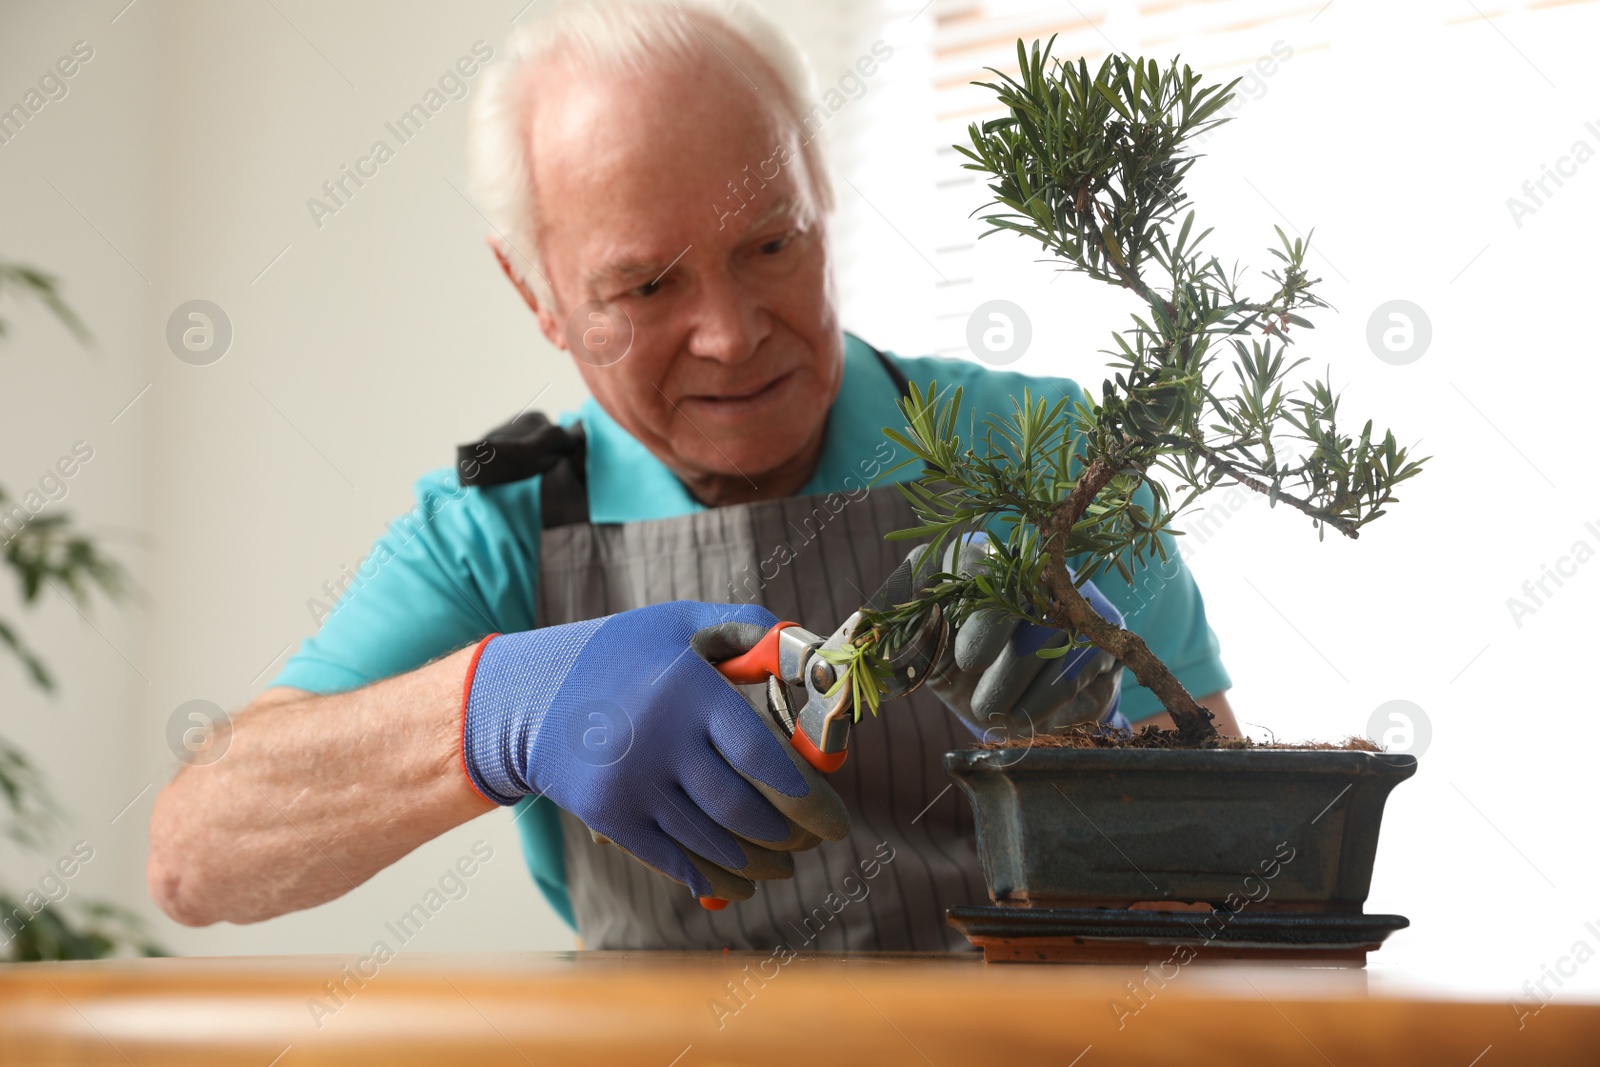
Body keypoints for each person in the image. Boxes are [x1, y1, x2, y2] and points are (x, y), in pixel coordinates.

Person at [147, 0, 1238, 952]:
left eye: (772, 246)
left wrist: (1093, 753)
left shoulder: (1041, 449)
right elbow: (196, 855)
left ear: (824, 197)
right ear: (533, 291)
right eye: (645, 287)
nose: (729, 334)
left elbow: (1245, 887)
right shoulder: (496, 521)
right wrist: (498, 706)